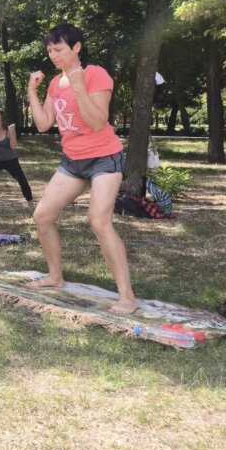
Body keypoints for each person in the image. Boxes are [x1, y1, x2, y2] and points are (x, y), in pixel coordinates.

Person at [27, 23, 137, 314]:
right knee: (42, 216)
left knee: (99, 223)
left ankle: (127, 297)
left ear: (76, 48)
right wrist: (31, 91)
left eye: (59, 49)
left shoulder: (95, 74)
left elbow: (98, 121)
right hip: (72, 160)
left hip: (104, 157)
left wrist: (77, 84)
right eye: (50, 50)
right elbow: (42, 124)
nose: (53, 55)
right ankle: (55, 276)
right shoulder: (53, 84)